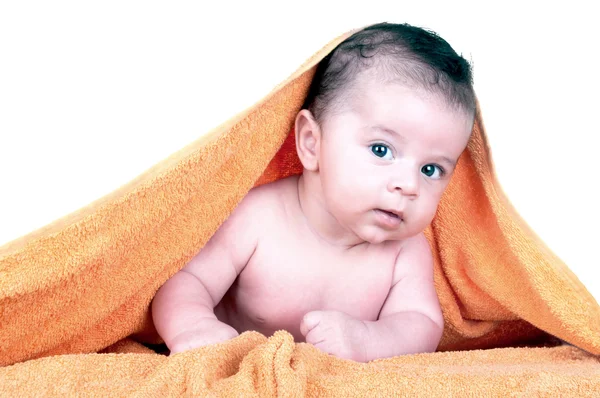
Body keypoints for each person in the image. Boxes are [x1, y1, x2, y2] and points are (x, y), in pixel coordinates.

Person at [151, 22, 476, 362]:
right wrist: (194, 328)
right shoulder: (259, 217)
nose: (409, 186)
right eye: (381, 150)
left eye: (431, 170)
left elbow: (420, 323)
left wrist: (367, 340)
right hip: (234, 370)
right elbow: (187, 282)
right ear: (311, 142)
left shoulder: (405, 251)